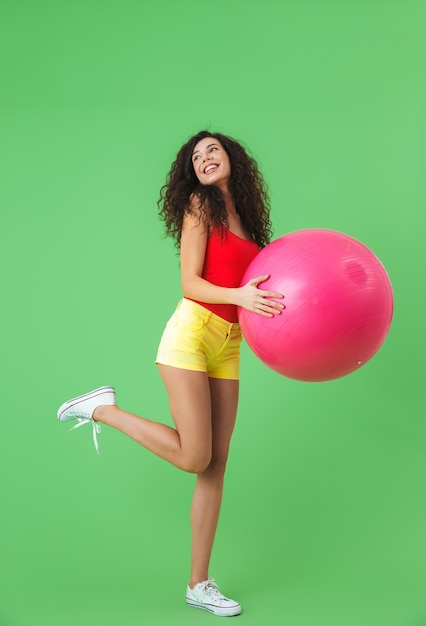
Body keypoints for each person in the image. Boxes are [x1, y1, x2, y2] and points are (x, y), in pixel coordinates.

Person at [57, 130, 284, 617]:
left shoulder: (250, 222)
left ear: (232, 158)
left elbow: (255, 287)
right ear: (192, 172)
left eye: (212, 150)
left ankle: (198, 585)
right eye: (196, 156)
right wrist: (242, 297)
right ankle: (102, 410)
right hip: (191, 333)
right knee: (195, 456)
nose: (204, 159)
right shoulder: (202, 206)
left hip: (229, 344)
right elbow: (190, 280)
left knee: (216, 465)